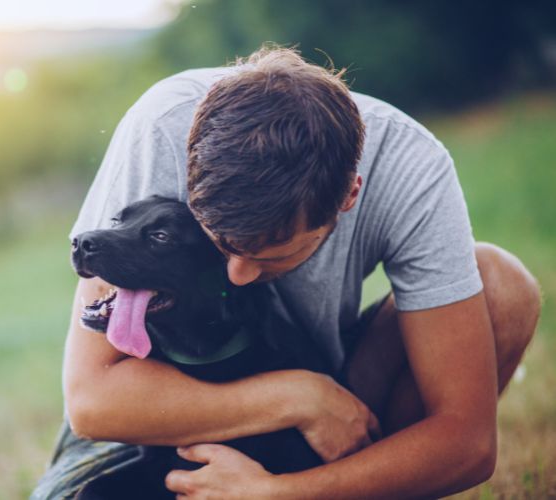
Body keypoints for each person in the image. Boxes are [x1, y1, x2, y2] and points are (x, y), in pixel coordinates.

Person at [31, 46, 541, 499]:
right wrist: (297, 398)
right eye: (221, 241)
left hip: (339, 383)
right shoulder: (164, 127)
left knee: (502, 285)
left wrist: (280, 493)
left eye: (269, 254)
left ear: (348, 196)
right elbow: (94, 403)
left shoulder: (413, 170)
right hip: (168, 404)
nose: (237, 274)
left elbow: (467, 443)